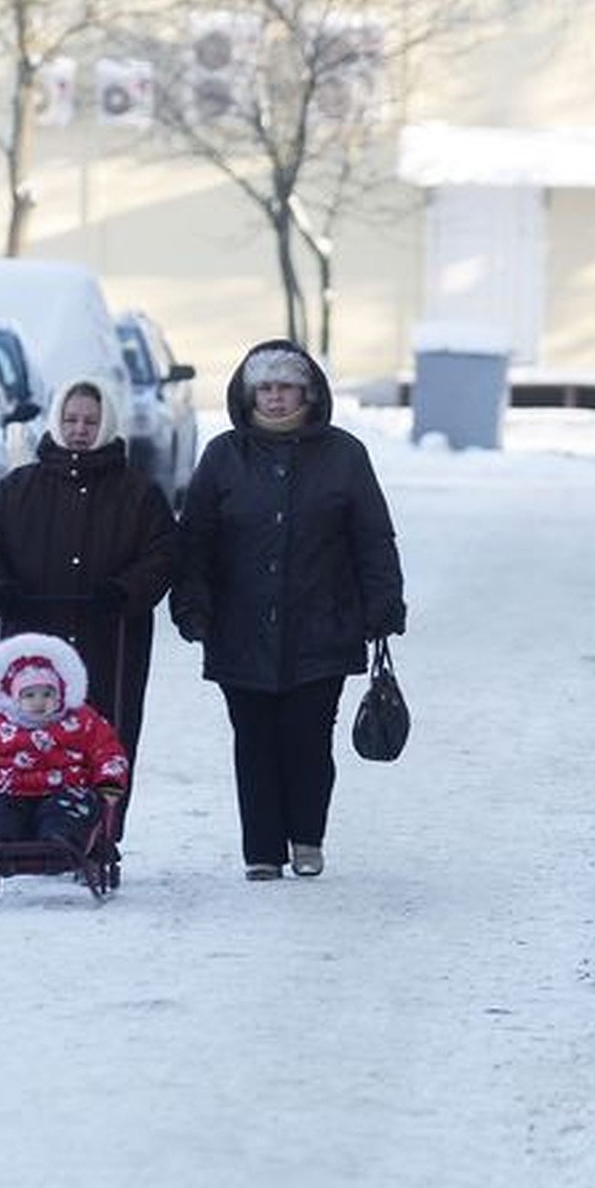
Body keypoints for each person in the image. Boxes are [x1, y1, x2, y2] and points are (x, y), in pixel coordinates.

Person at [170, 339, 406, 881]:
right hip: (238, 626)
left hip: (323, 623)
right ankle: (262, 851)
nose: (275, 399)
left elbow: (373, 537)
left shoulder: (344, 455)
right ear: (250, 393)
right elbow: (196, 539)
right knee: (252, 739)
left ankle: (306, 836)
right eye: (266, 388)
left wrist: (383, 603)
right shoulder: (224, 455)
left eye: (285, 387)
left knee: (307, 738)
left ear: (308, 391)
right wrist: (191, 604)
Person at [0, 374, 176, 840]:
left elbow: (162, 555)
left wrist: (127, 590)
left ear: (108, 425)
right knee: (26, 733)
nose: (80, 429)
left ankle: (99, 831)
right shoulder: (18, 489)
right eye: (72, 419)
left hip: (108, 636)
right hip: (33, 635)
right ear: (57, 420)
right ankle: (16, 830)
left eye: (91, 421)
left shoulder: (138, 493)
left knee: (103, 736)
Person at [0, 633, 129, 857]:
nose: (39, 702)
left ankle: (62, 842)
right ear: (14, 697)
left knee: (73, 809)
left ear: (61, 693)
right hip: (9, 793)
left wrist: (109, 782)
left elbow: (107, 750)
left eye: (47, 694)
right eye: (29, 695)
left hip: (64, 791)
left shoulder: (82, 721)